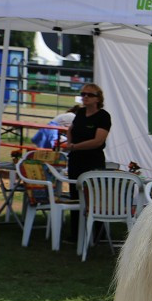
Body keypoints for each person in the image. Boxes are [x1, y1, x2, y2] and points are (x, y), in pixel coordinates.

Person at [62, 83, 112, 239]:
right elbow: (71, 129)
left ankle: (97, 234)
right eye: (83, 94)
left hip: (92, 161)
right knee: (75, 195)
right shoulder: (81, 112)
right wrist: (70, 144)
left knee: (94, 197)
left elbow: (98, 141)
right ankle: (76, 234)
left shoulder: (103, 116)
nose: (85, 97)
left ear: (98, 98)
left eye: (89, 95)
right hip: (76, 160)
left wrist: (74, 146)